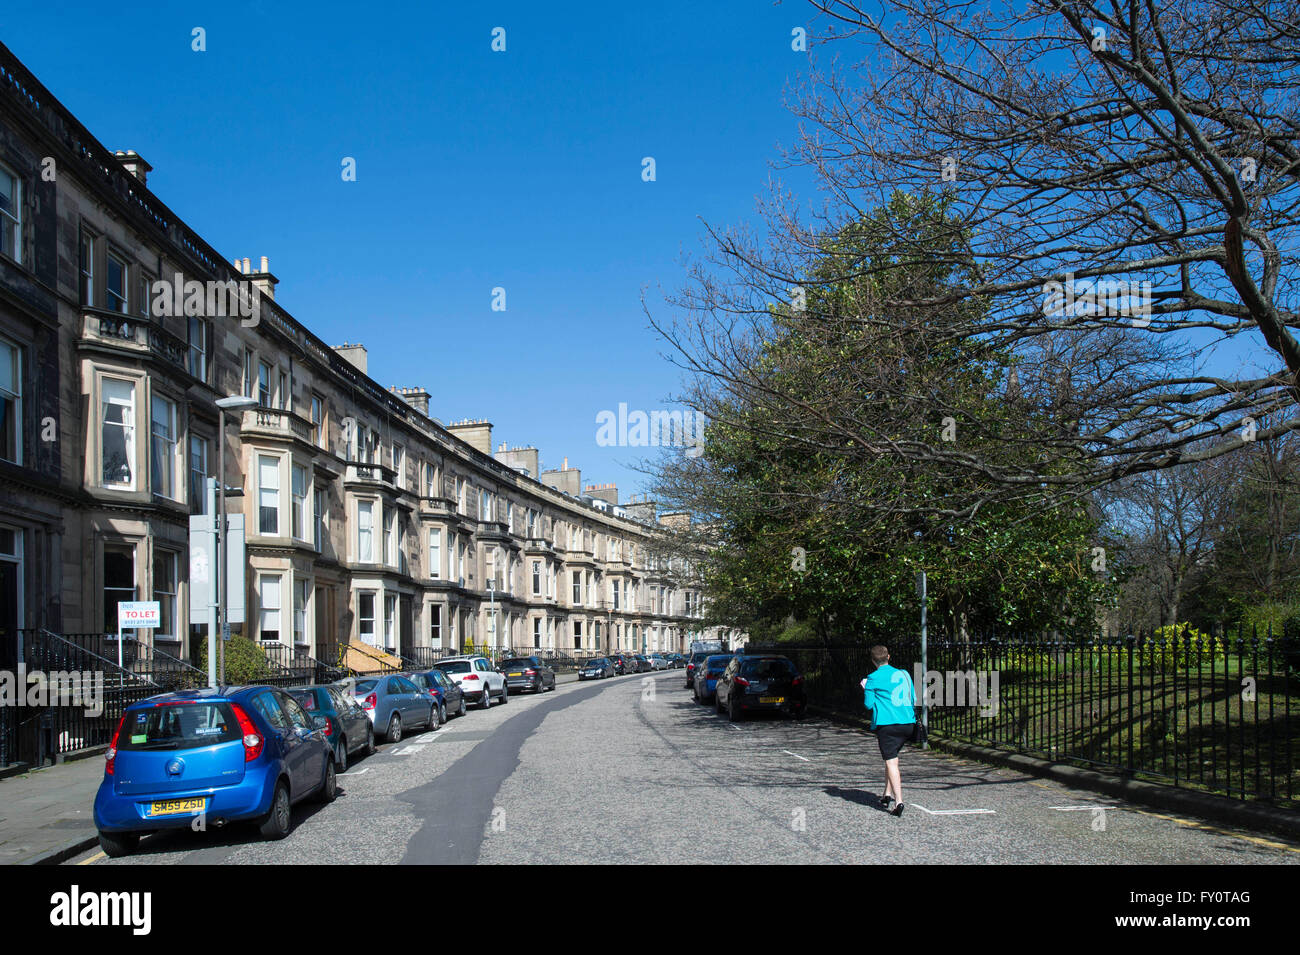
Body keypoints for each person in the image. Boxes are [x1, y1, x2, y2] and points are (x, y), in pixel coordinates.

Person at [860, 644, 917, 817]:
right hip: (908, 723)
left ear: (872, 661)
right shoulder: (904, 674)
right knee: (891, 759)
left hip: (888, 725)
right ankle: (886, 794)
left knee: (891, 762)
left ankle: (898, 801)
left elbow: (868, 704)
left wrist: (866, 688)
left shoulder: (872, 678)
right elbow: (913, 697)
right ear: (888, 657)